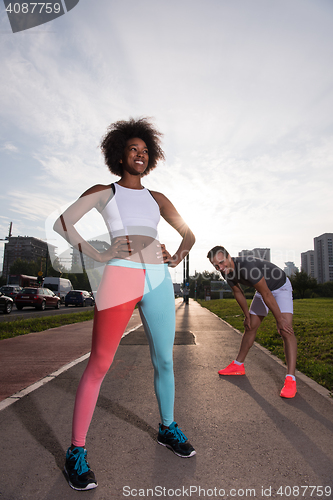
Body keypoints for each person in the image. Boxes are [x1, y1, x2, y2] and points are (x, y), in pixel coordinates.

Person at [54, 118, 196, 491]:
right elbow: (63, 223)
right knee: (99, 363)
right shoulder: (106, 191)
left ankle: (167, 428)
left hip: (158, 281)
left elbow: (189, 233)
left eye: (145, 151)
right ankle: (76, 452)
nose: (140, 154)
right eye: (134, 149)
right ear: (120, 153)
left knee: (164, 359)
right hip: (119, 277)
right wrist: (98, 253)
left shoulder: (158, 199)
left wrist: (178, 254)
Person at [207, 246, 297, 399]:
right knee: (250, 327)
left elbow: (267, 293)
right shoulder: (226, 271)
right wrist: (247, 315)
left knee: (285, 330)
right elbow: (238, 292)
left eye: (222, 263)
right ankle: (238, 365)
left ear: (229, 256)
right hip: (263, 291)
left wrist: (279, 319)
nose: (220, 268)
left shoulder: (247, 267)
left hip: (279, 287)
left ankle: (291, 379)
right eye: (216, 266)